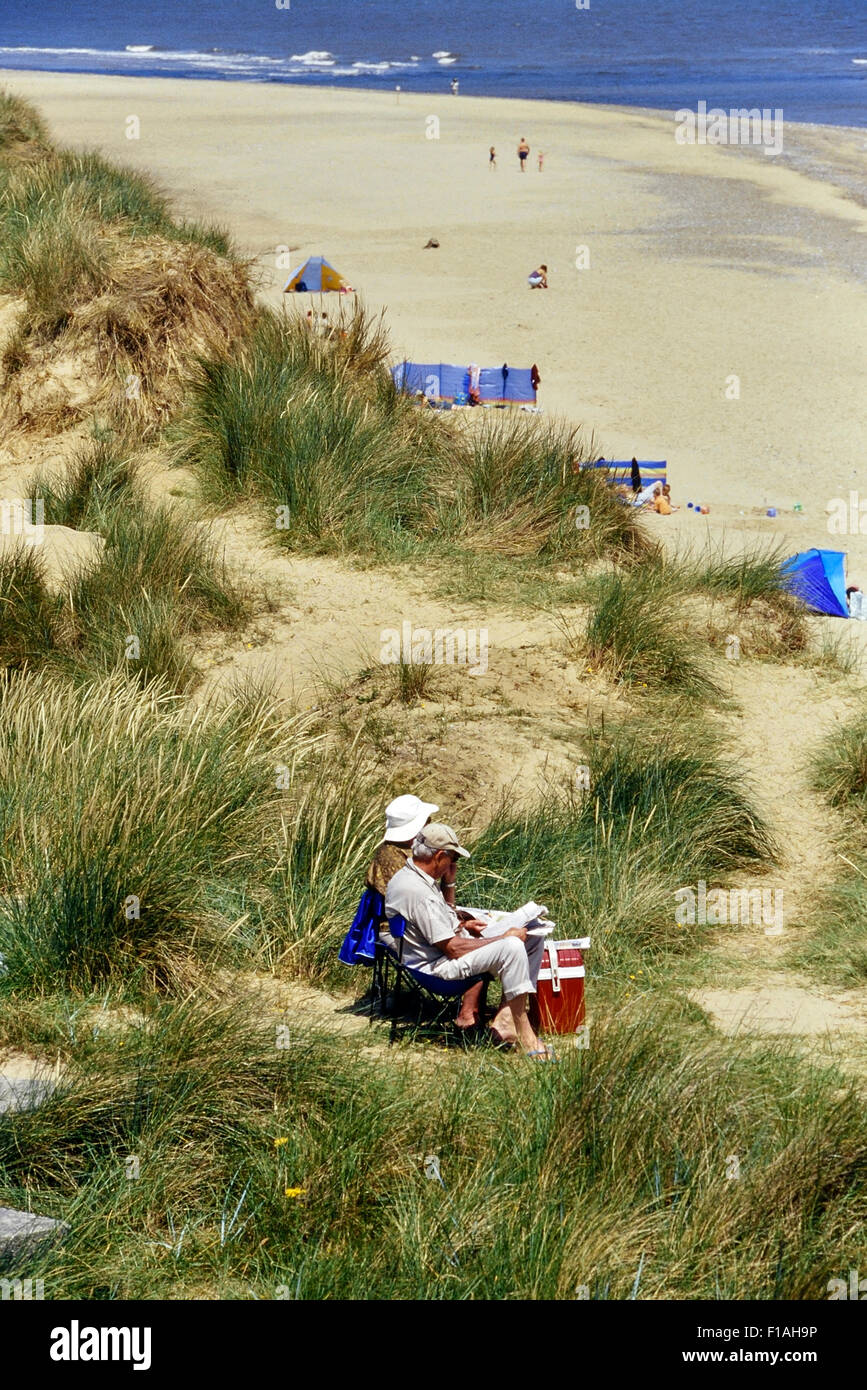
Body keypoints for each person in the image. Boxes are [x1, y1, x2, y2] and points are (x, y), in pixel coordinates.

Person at [384, 824, 552, 1057]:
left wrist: (457, 906)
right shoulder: (418, 892)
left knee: (531, 933)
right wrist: (502, 938)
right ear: (439, 855)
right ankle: (527, 1036)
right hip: (438, 967)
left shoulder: (415, 876)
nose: (453, 865)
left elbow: (438, 925)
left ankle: (505, 1019)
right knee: (512, 945)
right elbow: (452, 948)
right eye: (452, 859)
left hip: (441, 951)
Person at [367, 796, 486, 1030]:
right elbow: (422, 914)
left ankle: (471, 1009)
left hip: (415, 925)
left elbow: (437, 909)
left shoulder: (406, 856)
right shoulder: (398, 862)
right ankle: (468, 1012)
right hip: (400, 932)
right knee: (470, 947)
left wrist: (450, 894)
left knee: (471, 938)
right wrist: (455, 924)